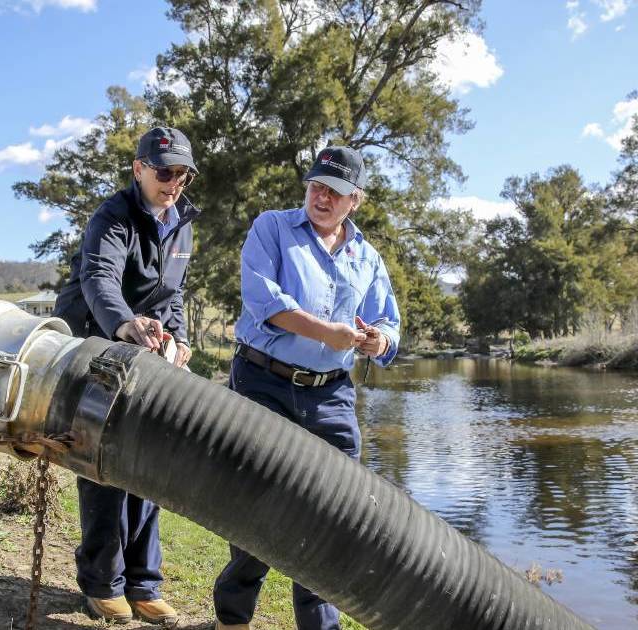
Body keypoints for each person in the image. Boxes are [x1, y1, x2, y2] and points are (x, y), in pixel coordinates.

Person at [212, 146, 401, 630]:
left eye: (335, 192)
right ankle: (234, 616)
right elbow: (263, 302)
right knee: (256, 501)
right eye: (317, 185)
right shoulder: (272, 228)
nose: (322, 196)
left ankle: (320, 624)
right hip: (262, 382)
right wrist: (327, 332)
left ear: (354, 200)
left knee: (332, 511)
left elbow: (389, 325)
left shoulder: (368, 256)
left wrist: (378, 340)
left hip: (331, 394)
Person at [53, 126, 201, 627]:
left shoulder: (182, 224)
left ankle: (143, 584)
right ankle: (101, 584)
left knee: (149, 463)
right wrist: (125, 324)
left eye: (182, 174)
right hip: (96, 345)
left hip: (149, 352)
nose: (174, 182)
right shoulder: (111, 218)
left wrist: (177, 339)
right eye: (165, 172)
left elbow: (171, 296)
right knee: (103, 466)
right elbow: (99, 281)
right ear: (138, 169)